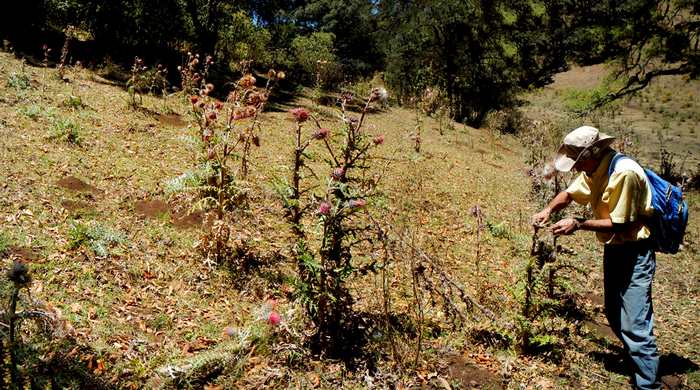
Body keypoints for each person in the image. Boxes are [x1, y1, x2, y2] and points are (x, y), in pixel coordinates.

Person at [532, 125, 660, 390]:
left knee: (635, 322)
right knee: (615, 314)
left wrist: (578, 224)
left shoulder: (624, 174)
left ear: (594, 152)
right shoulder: (595, 168)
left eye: (579, 162)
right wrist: (548, 210)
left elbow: (621, 225)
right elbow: (570, 193)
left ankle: (648, 384)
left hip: (635, 251)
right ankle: (637, 361)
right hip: (615, 248)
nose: (577, 168)